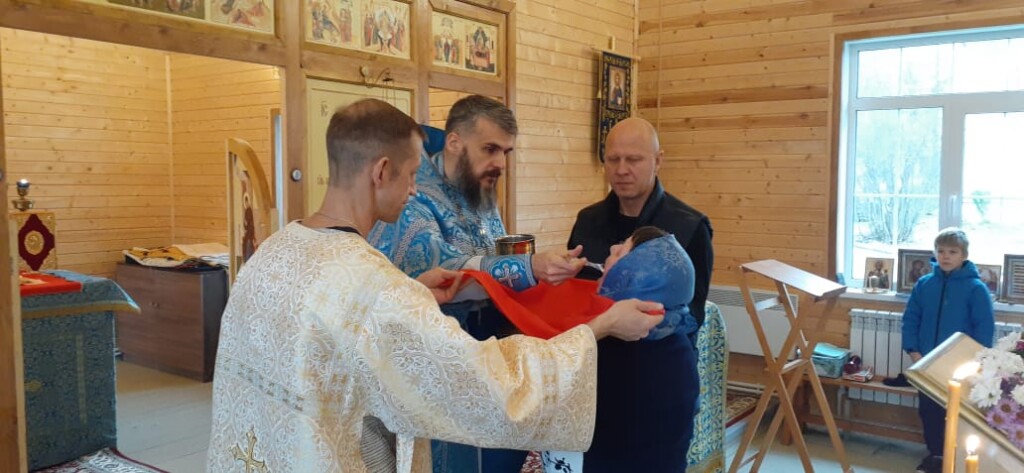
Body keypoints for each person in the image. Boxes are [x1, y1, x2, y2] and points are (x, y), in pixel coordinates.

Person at [206, 99, 664, 472]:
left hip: (259, 452)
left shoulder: (274, 249)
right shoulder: (374, 287)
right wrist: (598, 329)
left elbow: (327, 333)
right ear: (381, 171)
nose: (413, 190)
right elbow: (490, 388)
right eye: (410, 176)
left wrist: (419, 293)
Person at [369, 94, 590, 472]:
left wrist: (535, 269)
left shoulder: (480, 190)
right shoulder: (413, 194)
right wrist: (529, 267)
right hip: (440, 362)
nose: (500, 163)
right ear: (455, 142)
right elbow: (443, 269)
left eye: (506, 152)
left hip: (488, 354)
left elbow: (493, 253)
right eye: (490, 149)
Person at [569, 117, 714, 344]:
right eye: (613, 159)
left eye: (633, 160)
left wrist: (640, 323)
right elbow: (576, 295)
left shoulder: (690, 226)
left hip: (659, 358)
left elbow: (693, 316)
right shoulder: (587, 220)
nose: (621, 170)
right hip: (595, 354)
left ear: (658, 161)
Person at [902, 228, 994, 473]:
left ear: (964, 255)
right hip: (926, 362)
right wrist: (913, 351)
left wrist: (974, 362)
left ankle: (955, 458)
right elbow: (911, 318)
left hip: (959, 367)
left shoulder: (976, 288)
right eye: (941, 251)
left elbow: (984, 329)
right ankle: (935, 456)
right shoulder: (924, 284)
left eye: (952, 252)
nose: (945, 256)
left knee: (953, 414)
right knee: (928, 411)